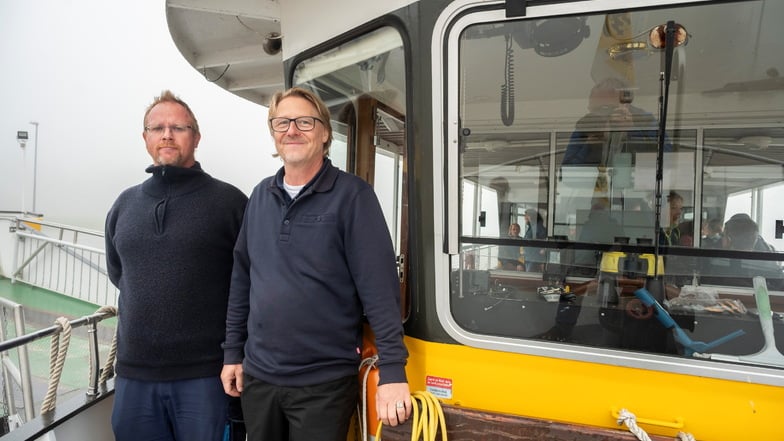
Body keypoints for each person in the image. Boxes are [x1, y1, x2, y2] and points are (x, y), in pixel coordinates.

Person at [220, 87, 411, 441]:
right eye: (282, 123)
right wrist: (233, 353)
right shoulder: (261, 196)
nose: (292, 130)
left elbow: (379, 289)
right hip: (260, 377)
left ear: (324, 133)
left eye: (304, 122)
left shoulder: (354, 197)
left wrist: (393, 371)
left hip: (323, 384)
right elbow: (242, 280)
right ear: (274, 134)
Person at [105, 90, 248, 441]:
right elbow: (119, 272)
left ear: (196, 138)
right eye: (157, 128)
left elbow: (250, 282)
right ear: (146, 138)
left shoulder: (230, 202)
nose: (167, 134)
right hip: (134, 375)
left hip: (205, 376)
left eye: (178, 127)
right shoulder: (124, 205)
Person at [562, 78, 670, 166]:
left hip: (639, 190)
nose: (600, 115)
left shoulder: (644, 121)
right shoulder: (587, 126)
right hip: (597, 190)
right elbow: (567, 171)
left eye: (606, 108)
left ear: (626, 105)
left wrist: (632, 131)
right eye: (595, 110)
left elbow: (667, 161)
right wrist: (589, 145)